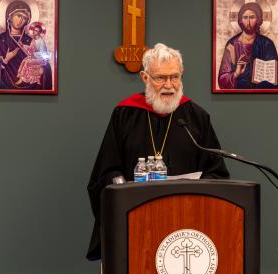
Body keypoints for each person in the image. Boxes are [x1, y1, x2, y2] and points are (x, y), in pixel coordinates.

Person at [86, 43, 229, 260]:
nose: (169, 85)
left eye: (175, 77)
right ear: (145, 78)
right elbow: (105, 172)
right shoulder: (125, 114)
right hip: (135, 222)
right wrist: (122, 187)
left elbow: (217, 172)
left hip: (186, 226)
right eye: (160, 78)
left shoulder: (196, 117)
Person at [0, 1, 52, 90]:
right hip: (4, 88)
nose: (21, 20)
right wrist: (6, 60)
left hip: (32, 87)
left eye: (24, 18)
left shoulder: (32, 40)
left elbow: (45, 61)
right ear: (10, 16)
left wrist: (42, 70)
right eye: (18, 16)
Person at [218, 2, 278, 89]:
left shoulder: (267, 44)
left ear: (258, 20)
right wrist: (236, 73)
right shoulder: (231, 45)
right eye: (245, 17)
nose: (248, 22)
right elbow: (222, 79)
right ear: (240, 20)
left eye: (252, 17)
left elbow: (273, 78)